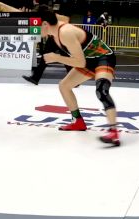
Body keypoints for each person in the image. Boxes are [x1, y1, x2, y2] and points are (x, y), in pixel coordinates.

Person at [37, 6, 120, 146]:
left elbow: (80, 62)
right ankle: (78, 121)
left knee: (101, 90)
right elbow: (28, 14)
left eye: (35, 27)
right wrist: (1, 5)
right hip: (88, 59)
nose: (34, 31)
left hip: (102, 57)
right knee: (64, 86)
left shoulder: (65, 32)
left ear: (45, 23)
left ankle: (114, 133)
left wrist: (56, 57)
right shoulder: (54, 24)